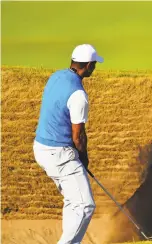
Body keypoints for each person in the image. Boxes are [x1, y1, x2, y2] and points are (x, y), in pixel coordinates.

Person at [33, 44, 104, 244]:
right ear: (88, 65)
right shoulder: (79, 95)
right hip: (59, 154)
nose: (95, 68)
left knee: (73, 201)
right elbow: (78, 135)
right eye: (94, 64)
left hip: (41, 148)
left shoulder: (56, 76)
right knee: (85, 205)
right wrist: (83, 158)